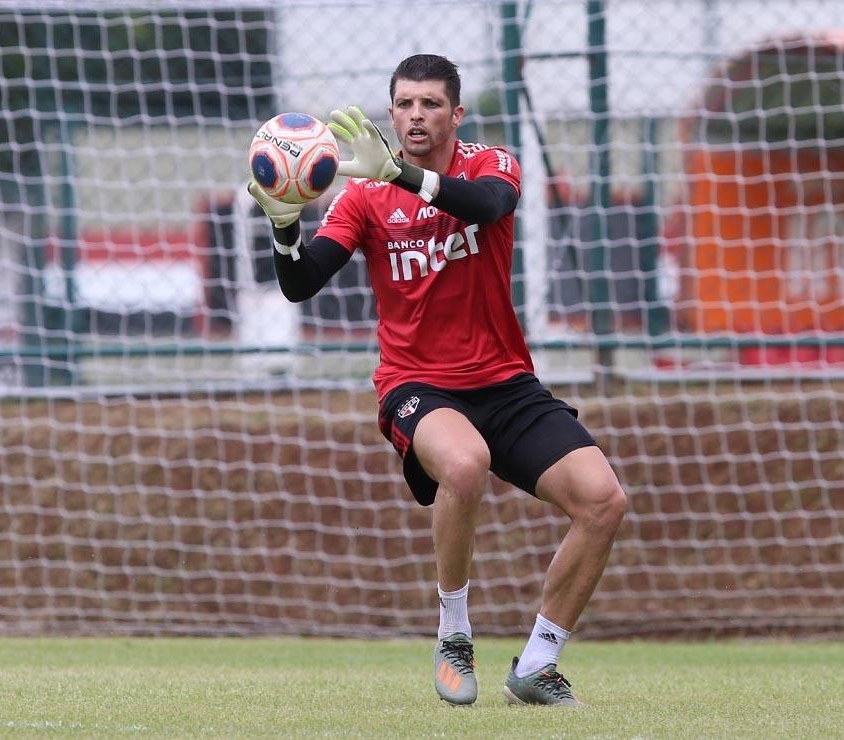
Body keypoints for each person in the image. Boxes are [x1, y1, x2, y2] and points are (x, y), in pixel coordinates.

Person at [247, 54, 626, 707]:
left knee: (603, 502)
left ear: (456, 113)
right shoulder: (364, 193)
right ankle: (454, 634)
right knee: (465, 464)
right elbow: (301, 282)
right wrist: (285, 226)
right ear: (390, 112)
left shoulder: (490, 162)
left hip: (506, 383)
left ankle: (537, 665)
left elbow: (488, 205)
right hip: (417, 384)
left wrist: (402, 172)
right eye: (404, 104)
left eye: (429, 104)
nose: (415, 115)